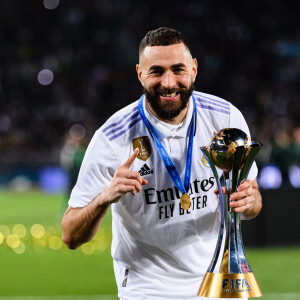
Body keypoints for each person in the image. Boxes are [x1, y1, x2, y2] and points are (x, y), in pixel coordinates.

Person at [61, 27, 262, 300]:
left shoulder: (225, 119)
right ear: (140, 73)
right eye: (156, 71)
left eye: (178, 69)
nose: (168, 82)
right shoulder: (112, 138)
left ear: (194, 69)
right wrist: (105, 197)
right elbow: (71, 235)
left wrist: (249, 202)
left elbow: (252, 202)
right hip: (148, 288)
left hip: (218, 281)